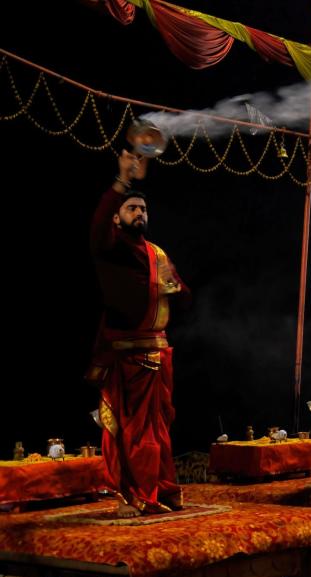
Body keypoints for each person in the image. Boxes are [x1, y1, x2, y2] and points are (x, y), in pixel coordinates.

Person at [87, 150, 191, 516]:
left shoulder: (157, 254)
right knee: (133, 434)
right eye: (132, 209)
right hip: (128, 358)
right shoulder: (111, 248)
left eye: (143, 210)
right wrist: (122, 181)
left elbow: (184, 296)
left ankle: (161, 490)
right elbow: (99, 223)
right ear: (118, 216)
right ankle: (131, 495)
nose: (140, 214)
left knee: (159, 431)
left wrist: (174, 289)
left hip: (159, 356)